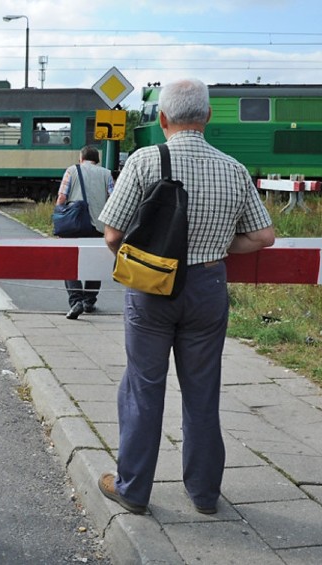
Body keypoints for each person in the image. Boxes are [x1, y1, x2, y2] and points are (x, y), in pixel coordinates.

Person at [96, 79, 275, 515]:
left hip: (153, 289)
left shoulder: (144, 161)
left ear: (162, 119)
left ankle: (134, 489)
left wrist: (152, 258)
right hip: (207, 289)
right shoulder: (232, 168)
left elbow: (113, 234)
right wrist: (218, 248)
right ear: (208, 117)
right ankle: (205, 494)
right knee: (202, 393)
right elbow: (264, 236)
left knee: (143, 389)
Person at [55, 145, 114, 319]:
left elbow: (62, 197)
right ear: (97, 159)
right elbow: (113, 198)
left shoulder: (72, 170)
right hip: (98, 224)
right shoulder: (106, 173)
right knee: (95, 263)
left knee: (69, 261)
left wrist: (59, 214)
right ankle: (89, 301)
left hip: (74, 223)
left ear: (81, 158)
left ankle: (76, 301)